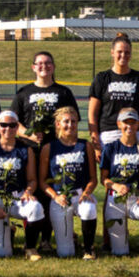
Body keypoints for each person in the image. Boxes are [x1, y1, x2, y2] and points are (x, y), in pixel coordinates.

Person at [0, 110, 44, 259]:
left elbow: (32, 179)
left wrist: (28, 192)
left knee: (36, 208)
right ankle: (9, 231)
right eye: (4, 125)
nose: (8, 129)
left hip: (17, 197)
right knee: (2, 254)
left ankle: (30, 248)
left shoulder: (25, 149)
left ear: (17, 127)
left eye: (12, 125)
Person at [39, 106, 100, 259]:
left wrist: (87, 192)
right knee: (65, 253)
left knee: (89, 209)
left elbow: (93, 178)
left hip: (80, 195)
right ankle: (71, 241)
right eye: (66, 121)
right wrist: (55, 196)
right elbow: (42, 181)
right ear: (58, 124)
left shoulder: (85, 146)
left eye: (74, 121)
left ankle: (88, 249)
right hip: (60, 198)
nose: (70, 125)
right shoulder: (48, 148)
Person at [99, 108, 139, 260]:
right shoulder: (110, 148)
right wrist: (116, 186)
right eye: (126, 123)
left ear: (138, 124)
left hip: (135, 197)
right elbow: (104, 179)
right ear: (119, 124)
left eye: (133, 123)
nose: (129, 127)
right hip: (116, 198)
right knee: (120, 252)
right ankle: (119, 245)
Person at [87, 34, 139, 147]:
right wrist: (95, 140)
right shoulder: (102, 78)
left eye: (127, 52)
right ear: (112, 52)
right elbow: (92, 113)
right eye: (120, 51)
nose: (123, 55)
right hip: (110, 134)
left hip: (137, 133)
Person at [14, 50, 79, 147]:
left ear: (53, 67)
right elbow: (13, 121)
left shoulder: (64, 92)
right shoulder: (23, 92)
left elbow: (74, 120)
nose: (44, 66)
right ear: (33, 67)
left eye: (48, 63)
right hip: (29, 147)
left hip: (56, 147)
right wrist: (30, 135)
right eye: (40, 63)